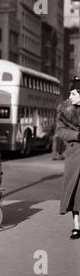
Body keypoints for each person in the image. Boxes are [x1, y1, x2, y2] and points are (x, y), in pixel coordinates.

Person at [56, 76, 80, 240]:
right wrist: (77, 135)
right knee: (74, 192)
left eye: (73, 93)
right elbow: (60, 131)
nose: (69, 97)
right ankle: (77, 226)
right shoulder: (65, 110)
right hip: (75, 155)